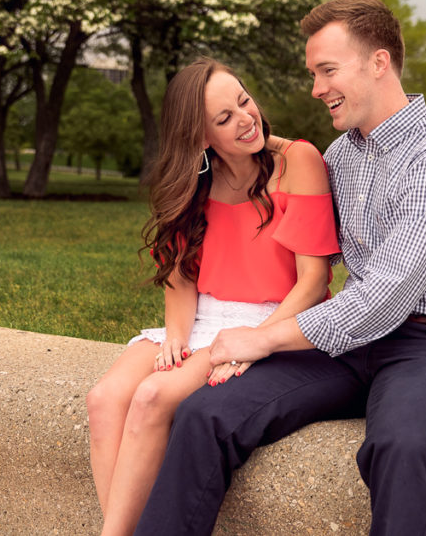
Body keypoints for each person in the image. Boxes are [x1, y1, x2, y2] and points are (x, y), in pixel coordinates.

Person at [135, 0, 426, 536]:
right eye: (312, 73)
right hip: (347, 344)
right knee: (204, 414)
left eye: (327, 70)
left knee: (403, 444)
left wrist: (262, 339)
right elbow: (275, 155)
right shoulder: (342, 156)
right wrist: (216, 139)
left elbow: (386, 297)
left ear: (378, 62)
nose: (315, 88)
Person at [86, 57, 340, 536]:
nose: (246, 119)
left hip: (270, 321)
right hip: (202, 318)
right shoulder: (194, 181)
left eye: (243, 100)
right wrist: (176, 339)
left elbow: (312, 283)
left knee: (152, 397)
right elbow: (181, 278)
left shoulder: (297, 160)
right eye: (224, 119)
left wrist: (255, 342)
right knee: (104, 399)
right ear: (201, 138)